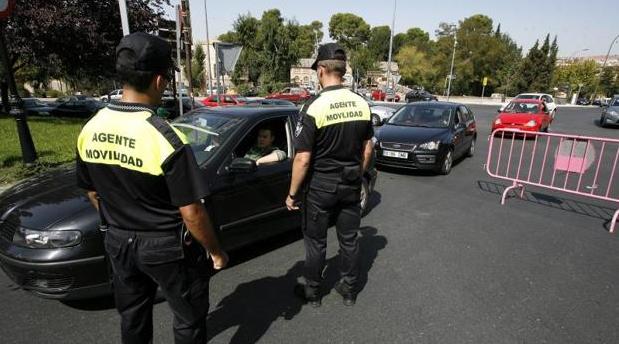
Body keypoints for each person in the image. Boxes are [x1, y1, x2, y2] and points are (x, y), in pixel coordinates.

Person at [75, 32, 228, 344]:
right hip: (166, 247)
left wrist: (118, 218)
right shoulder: (166, 137)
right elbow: (192, 211)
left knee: (133, 315)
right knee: (188, 317)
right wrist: (215, 252)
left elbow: (91, 191)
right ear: (160, 81)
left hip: (118, 241)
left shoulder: (91, 128)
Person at [285, 43, 374, 307]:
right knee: (349, 240)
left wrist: (292, 194)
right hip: (350, 183)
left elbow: (302, 159)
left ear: (322, 69)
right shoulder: (361, 103)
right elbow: (367, 147)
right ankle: (349, 290)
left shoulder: (314, 107)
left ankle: (312, 291)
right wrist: (359, 173)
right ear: (343, 71)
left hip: (321, 187)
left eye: (317, 70)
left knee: (316, 242)